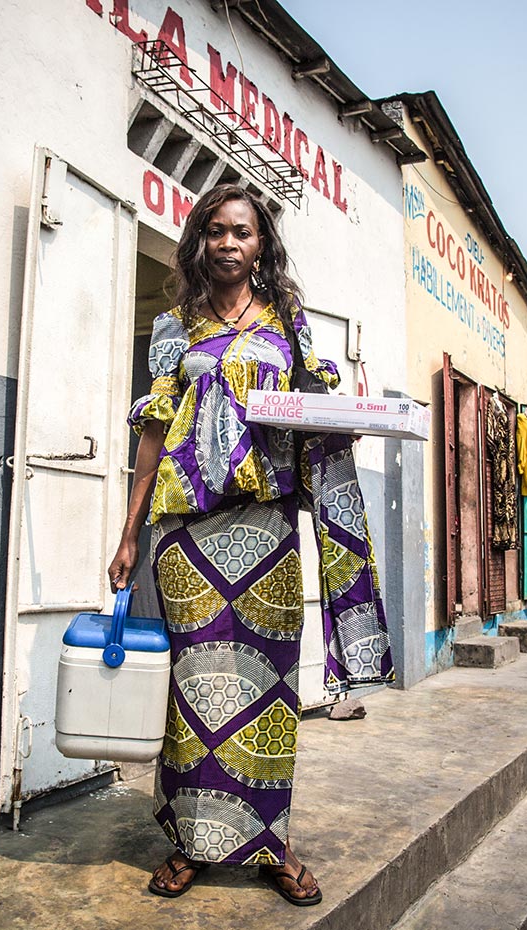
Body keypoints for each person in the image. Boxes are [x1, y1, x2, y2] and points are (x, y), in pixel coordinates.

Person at [109, 184, 393, 905]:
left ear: (262, 243)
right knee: (196, 689)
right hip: (188, 536)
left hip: (266, 528)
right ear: (199, 241)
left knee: (265, 689)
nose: (229, 243)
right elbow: (153, 433)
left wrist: (338, 424)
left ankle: (270, 845)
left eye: (243, 231)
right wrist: (129, 531)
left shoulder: (287, 323)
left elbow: (313, 405)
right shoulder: (175, 328)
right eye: (216, 231)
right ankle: (189, 842)